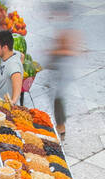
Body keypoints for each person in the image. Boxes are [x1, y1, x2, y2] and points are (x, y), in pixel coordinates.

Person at [44, 2, 79, 136]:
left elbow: (70, 50)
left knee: (58, 97)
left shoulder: (68, 30)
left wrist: (54, 53)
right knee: (57, 97)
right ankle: (60, 123)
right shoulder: (63, 27)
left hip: (65, 69)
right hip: (61, 68)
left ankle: (60, 126)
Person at [0, 30, 25, 106]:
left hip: (4, 107)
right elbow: (22, 55)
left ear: (5, 47)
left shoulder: (13, 65)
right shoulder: (13, 53)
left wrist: (13, 101)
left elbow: (17, 79)